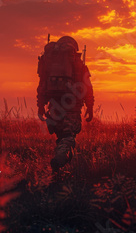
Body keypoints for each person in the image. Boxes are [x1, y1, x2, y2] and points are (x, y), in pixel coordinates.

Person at [37, 36, 94, 172]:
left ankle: (58, 168)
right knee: (68, 137)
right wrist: (90, 107)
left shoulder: (49, 65)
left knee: (62, 136)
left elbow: (42, 86)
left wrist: (40, 107)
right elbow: (88, 88)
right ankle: (60, 158)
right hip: (72, 109)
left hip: (54, 108)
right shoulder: (79, 65)